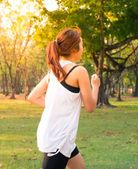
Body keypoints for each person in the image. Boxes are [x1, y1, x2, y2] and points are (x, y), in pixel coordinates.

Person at [27, 27, 100, 169]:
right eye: (81, 45)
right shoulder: (79, 71)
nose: (83, 49)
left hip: (59, 136)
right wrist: (95, 86)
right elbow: (90, 107)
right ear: (74, 48)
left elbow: (32, 97)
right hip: (59, 139)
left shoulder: (54, 71)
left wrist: (56, 106)